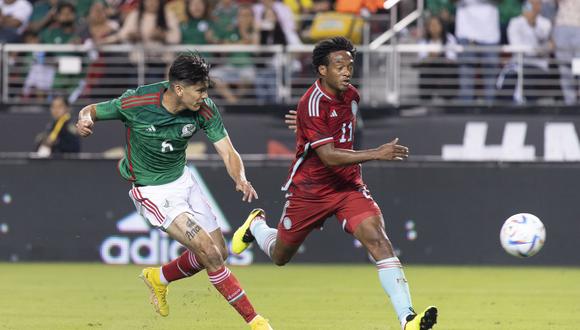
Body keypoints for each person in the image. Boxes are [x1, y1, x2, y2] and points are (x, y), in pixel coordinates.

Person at [231, 37, 438, 330]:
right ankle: (256, 225)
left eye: (350, 65)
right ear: (322, 70)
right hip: (310, 190)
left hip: (347, 186)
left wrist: (306, 125)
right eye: (339, 66)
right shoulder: (310, 103)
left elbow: (336, 128)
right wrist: (377, 153)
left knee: (379, 241)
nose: (346, 71)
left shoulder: (352, 95)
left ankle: (407, 319)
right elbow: (327, 156)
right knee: (280, 256)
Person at [75, 53, 273, 330]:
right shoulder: (137, 102)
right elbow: (92, 110)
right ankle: (255, 321)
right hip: (153, 191)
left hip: (184, 180)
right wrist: (85, 121)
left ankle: (159, 278)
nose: (204, 96)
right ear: (179, 89)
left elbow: (228, 151)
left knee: (219, 252)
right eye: (200, 90)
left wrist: (240, 177)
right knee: (208, 251)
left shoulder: (204, 109)